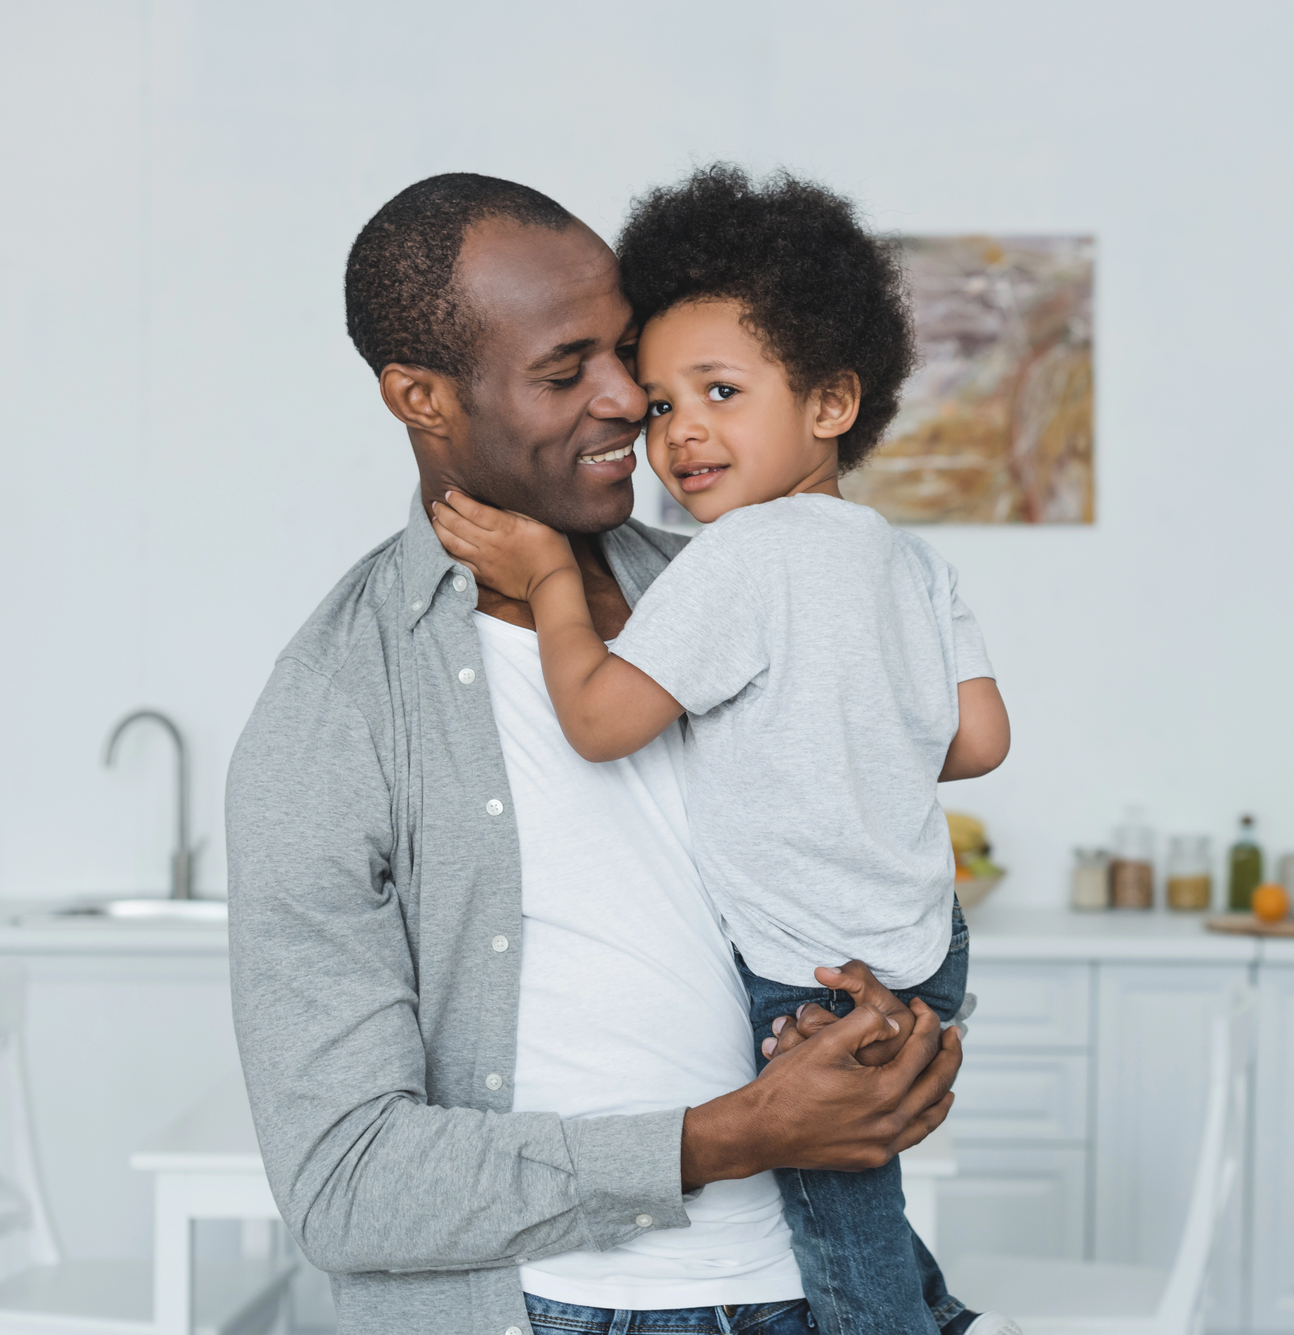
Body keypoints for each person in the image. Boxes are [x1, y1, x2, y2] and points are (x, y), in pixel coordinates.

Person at [226, 173, 968, 1335]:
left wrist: (892, 1035)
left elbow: (867, 833)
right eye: (568, 372)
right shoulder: (338, 709)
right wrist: (727, 1138)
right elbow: (344, 1185)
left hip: (817, 1292)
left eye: (629, 354)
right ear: (420, 395)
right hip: (568, 1313)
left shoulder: (731, 581)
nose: (632, 404)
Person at [426, 166, 1013, 1335]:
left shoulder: (737, 560)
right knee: (859, 1202)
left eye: (719, 391)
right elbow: (979, 740)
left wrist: (548, 579)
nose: (679, 430)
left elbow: (598, 724)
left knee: (837, 1238)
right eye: (657, 405)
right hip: (920, 945)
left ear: (831, 403)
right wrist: (833, 734)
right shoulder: (907, 560)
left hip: (813, 968)